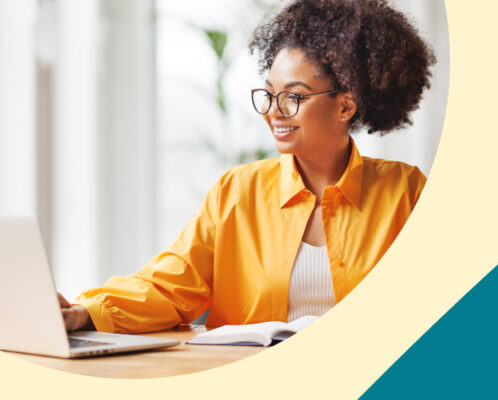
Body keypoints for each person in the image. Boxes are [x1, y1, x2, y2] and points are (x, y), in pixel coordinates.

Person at [59, 0, 436, 333]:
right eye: (269, 94)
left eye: (293, 97)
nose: (273, 111)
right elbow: (170, 286)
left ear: (345, 106)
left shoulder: (406, 191)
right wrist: (83, 313)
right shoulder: (236, 192)